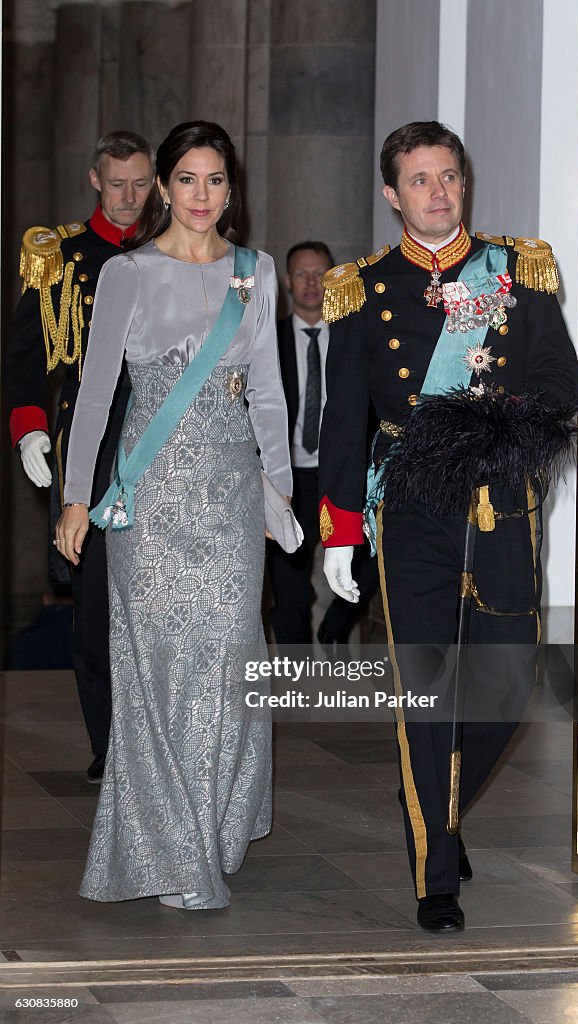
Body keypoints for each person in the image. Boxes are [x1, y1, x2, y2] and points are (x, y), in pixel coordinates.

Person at [318, 121, 578, 933]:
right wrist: (338, 528)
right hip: (411, 505)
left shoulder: (520, 271)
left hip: (499, 497)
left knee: (508, 677)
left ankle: (434, 792)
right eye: (420, 179)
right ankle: (436, 872)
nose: (438, 192)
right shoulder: (360, 289)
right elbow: (344, 419)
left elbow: (557, 386)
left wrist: (495, 431)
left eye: (449, 177)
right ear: (393, 194)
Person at [55, 120, 293, 909]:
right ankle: (173, 851)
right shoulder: (128, 272)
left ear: (233, 189)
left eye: (215, 180)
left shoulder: (254, 275)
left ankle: (212, 826)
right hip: (149, 497)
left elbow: (267, 392)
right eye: (186, 179)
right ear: (162, 186)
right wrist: (77, 496)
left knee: (228, 665)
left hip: (228, 496)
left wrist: (279, 492)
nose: (201, 195)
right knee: (156, 671)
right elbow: (94, 394)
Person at [5, 130, 155, 783]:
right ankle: (109, 742)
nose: (128, 197)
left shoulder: (174, 252)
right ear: (95, 179)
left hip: (161, 439)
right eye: (116, 182)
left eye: (140, 182)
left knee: (153, 601)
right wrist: (30, 430)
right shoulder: (61, 254)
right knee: (94, 604)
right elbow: (22, 357)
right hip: (88, 445)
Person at [267, 241, 380, 651]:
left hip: (344, 474)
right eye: (302, 274)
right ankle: (297, 669)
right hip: (288, 481)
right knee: (289, 586)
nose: (312, 283)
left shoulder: (357, 336)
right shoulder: (268, 341)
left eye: (321, 274)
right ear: (287, 282)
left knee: (366, 564)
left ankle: (336, 625)